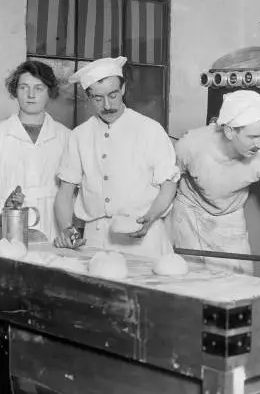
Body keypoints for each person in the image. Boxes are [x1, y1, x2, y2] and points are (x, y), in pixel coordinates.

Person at [170, 90, 260, 278]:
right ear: (230, 131)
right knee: (191, 284)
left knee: (238, 285)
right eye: (253, 137)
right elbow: (167, 185)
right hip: (189, 216)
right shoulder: (191, 145)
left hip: (230, 216)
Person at [54, 56, 179, 257]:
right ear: (88, 97)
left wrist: (150, 217)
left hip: (143, 236)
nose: (107, 105)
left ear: (123, 89)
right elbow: (65, 192)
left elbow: (169, 185)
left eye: (113, 95)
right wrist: (66, 228)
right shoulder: (79, 135)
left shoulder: (150, 130)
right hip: (96, 238)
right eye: (97, 98)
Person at [0, 60, 71, 242]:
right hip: (5, 226)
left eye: (39, 88)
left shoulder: (67, 138)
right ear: (15, 91)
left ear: (50, 92)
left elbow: (74, 194)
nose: (30, 95)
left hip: (53, 227)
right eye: (24, 87)